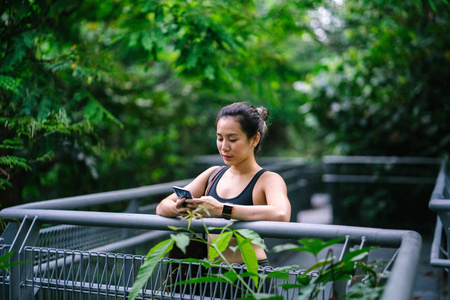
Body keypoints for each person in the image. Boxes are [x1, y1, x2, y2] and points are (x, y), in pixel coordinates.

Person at [156, 102, 291, 266]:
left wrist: (222, 209)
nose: (224, 147)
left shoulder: (268, 179)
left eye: (232, 139)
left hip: (249, 274)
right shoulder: (213, 174)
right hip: (209, 275)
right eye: (220, 138)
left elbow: (282, 214)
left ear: (255, 139)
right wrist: (184, 208)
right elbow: (162, 206)